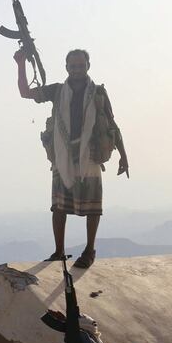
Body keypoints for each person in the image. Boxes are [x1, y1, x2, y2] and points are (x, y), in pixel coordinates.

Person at [15, 48, 130, 268]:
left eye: (81, 65)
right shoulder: (58, 91)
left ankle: (89, 250)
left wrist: (123, 156)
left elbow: (112, 124)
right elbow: (25, 92)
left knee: (92, 207)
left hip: (90, 154)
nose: (77, 70)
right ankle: (59, 251)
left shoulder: (98, 93)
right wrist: (20, 64)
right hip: (63, 155)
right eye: (73, 66)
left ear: (88, 66)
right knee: (58, 207)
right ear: (66, 67)